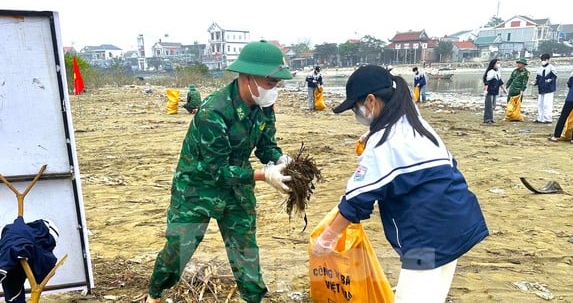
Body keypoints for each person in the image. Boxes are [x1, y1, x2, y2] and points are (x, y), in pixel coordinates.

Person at [314, 65, 489, 302]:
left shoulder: (383, 144)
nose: (357, 114)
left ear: (371, 100)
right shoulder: (415, 123)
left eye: (356, 108)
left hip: (427, 240)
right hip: (459, 221)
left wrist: (327, 238)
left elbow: (357, 202)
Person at [143, 40, 294, 303]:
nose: (274, 89)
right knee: (179, 248)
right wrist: (263, 175)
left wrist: (279, 158)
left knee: (245, 248)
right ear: (248, 78)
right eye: (270, 82)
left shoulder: (264, 106)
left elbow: (266, 144)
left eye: (277, 84)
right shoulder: (213, 112)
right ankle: (154, 294)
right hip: (197, 186)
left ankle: (253, 298)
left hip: (237, 185)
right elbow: (217, 171)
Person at [532, 53, 558, 123]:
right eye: (542, 59)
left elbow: (554, 77)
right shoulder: (540, 68)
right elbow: (538, 78)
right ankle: (540, 118)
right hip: (541, 88)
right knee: (540, 104)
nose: (543, 61)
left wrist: (550, 80)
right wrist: (535, 83)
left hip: (549, 88)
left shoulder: (552, 68)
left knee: (547, 104)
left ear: (548, 60)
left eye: (545, 59)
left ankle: (548, 119)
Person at [482, 59, 508, 124]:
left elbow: (500, 82)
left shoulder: (497, 72)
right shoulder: (490, 72)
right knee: (489, 106)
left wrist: (504, 89)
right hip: (490, 91)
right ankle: (487, 119)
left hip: (495, 91)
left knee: (493, 105)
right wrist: (485, 91)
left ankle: (491, 118)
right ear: (493, 64)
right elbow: (487, 82)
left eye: (499, 63)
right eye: (497, 63)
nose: (498, 65)